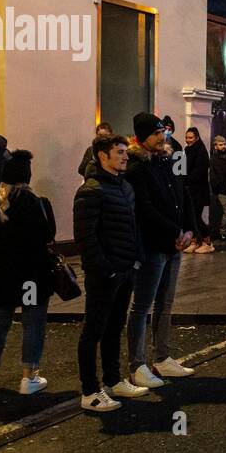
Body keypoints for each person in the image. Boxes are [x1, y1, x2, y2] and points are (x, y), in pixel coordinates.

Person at [0, 150, 53, 396]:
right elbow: (47, 237)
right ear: (27, 177)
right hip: (31, 277)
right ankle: (30, 377)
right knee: (33, 323)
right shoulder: (37, 203)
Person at [74, 133, 147, 412]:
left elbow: (132, 226)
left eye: (125, 152)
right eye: (119, 152)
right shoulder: (90, 190)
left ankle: (114, 380)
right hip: (104, 274)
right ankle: (90, 390)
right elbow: (86, 238)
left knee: (114, 327)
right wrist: (106, 269)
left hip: (126, 269)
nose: (125, 157)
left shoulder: (124, 187)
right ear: (102, 156)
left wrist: (135, 260)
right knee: (93, 330)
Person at [125, 112, 196, 390]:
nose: (162, 137)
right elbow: (145, 209)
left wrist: (190, 229)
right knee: (141, 305)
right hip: (154, 245)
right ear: (143, 137)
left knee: (165, 303)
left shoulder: (169, 159)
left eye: (163, 132)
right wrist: (175, 231)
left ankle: (162, 356)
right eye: (156, 133)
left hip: (175, 243)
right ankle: (137, 364)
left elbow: (184, 194)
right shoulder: (136, 167)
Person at [182, 126, 214, 253]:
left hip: (198, 191)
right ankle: (195, 241)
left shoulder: (200, 151)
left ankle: (207, 242)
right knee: (191, 217)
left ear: (197, 137)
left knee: (196, 217)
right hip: (191, 189)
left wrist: (187, 179)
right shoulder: (188, 150)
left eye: (190, 137)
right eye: (186, 137)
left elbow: (200, 170)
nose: (188, 140)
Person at [209, 134, 226, 240]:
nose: (223, 146)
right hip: (222, 190)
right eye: (220, 144)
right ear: (215, 146)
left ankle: (225, 231)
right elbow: (215, 176)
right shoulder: (215, 159)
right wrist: (219, 187)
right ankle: (223, 232)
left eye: (224, 144)